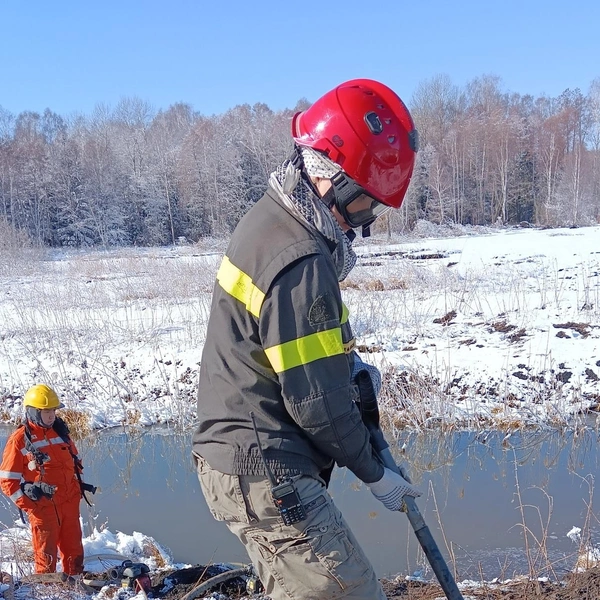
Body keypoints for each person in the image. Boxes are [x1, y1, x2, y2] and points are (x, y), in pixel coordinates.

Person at [192, 78, 420, 600]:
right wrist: (373, 472)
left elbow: (301, 354)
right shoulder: (300, 257)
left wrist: (349, 369)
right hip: (263, 470)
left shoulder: (274, 218)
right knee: (352, 593)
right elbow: (317, 401)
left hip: (242, 460)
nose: (363, 225)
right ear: (331, 180)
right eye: (365, 205)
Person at [0, 384, 85, 578]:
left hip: (69, 503)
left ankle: (76, 586)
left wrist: (75, 492)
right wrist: (31, 504)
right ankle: (47, 590)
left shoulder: (60, 431)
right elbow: (7, 481)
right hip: (43, 507)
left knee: (74, 551)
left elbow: (75, 462)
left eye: (53, 410)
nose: (51, 415)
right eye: (46, 411)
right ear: (33, 412)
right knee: (46, 557)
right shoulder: (19, 440)